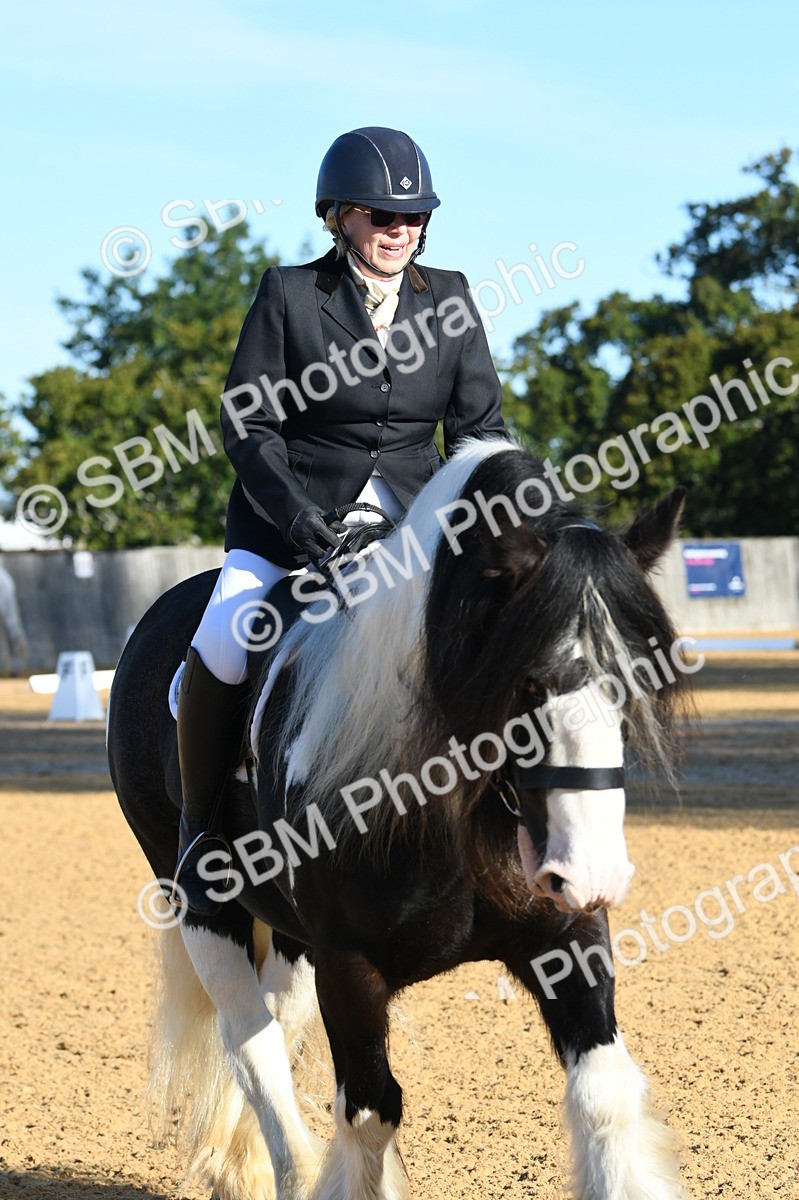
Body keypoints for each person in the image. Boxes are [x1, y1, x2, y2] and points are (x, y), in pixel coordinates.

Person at [174, 125, 505, 913]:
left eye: (414, 218)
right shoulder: (289, 294)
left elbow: (479, 429)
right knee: (222, 645)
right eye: (382, 217)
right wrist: (294, 519)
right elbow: (247, 425)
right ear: (339, 217)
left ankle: (503, 826)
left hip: (415, 527)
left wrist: (483, 524)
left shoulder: (449, 297)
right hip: (290, 521)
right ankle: (196, 833)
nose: (401, 231)